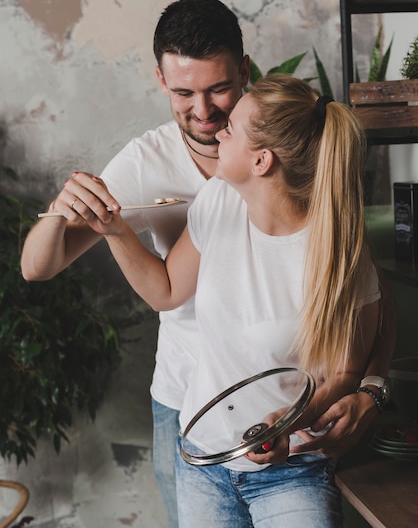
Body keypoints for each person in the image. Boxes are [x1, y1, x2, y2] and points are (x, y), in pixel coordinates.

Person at [21, 0, 395, 527]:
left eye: (220, 90)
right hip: (186, 408)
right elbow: (43, 268)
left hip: (288, 432)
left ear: (243, 71)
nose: (205, 113)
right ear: (160, 81)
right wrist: (67, 212)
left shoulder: (319, 195)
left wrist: (369, 390)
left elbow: (365, 311)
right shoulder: (166, 173)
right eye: (182, 92)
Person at [84, 73, 381, 527]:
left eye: (232, 129)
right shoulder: (219, 200)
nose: (218, 129)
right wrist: (115, 231)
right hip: (203, 459)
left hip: (293, 469)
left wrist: (291, 418)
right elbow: (165, 291)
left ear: (261, 160)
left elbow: (347, 371)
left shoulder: (334, 250)